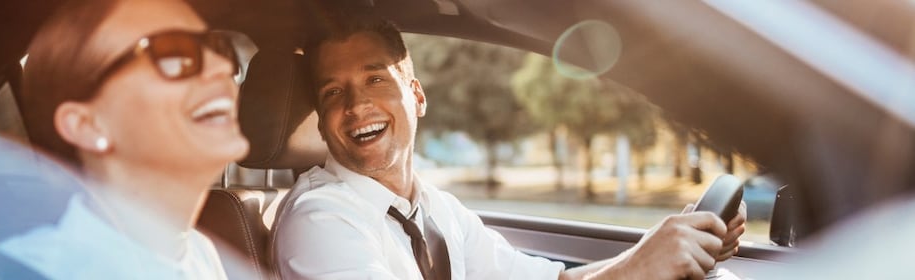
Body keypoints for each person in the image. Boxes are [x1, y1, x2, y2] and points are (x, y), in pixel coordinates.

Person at [271, 14, 747, 280]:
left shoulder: (435, 209)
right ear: (321, 115)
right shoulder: (319, 218)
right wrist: (637, 273)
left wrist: (665, 249)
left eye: (375, 79)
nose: (356, 105)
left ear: (416, 96)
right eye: (333, 92)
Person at [0, 0, 249, 278]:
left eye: (218, 47)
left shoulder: (200, 254)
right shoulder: (20, 272)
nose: (223, 65)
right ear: (87, 125)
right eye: (175, 53)